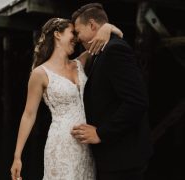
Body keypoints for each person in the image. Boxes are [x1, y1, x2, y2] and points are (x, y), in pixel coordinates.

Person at [10, 17, 123, 180]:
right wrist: (17, 157)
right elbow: (29, 115)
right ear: (57, 34)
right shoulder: (40, 73)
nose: (76, 39)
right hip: (62, 145)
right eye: (72, 33)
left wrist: (106, 27)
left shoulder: (81, 62)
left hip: (87, 144)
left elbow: (115, 39)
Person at [71, 3, 153, 180]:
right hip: (111, 157)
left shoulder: (115, 50)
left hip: (123, 158)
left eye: (78, 32)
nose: (77, 38)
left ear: (92, 25)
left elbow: (137, 102)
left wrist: (101, 133)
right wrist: (109, 28)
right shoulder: (100, 51)